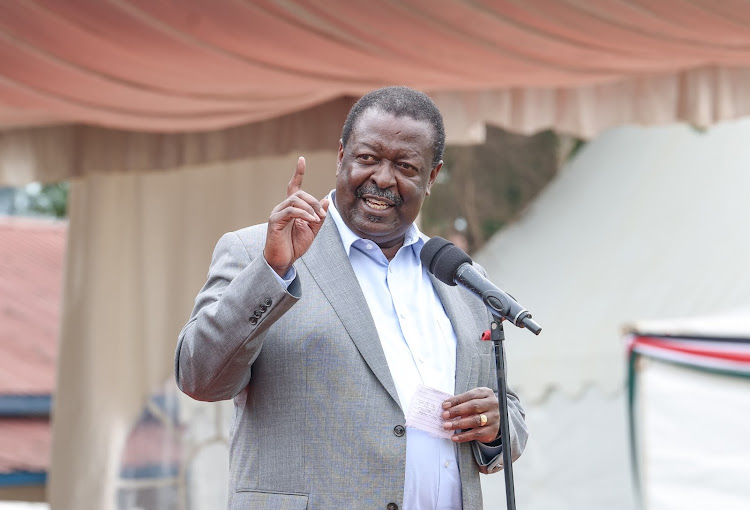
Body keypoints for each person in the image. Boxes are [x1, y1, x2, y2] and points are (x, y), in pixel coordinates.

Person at [175, 86, 527, 510]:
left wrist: (493, 425)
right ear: (341, 156)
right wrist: (271, 273)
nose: (382, 177)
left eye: (404, 165)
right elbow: (199, 378)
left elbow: (507, 411)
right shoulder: (260, 252)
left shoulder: (459, 278)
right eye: (367, 158)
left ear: (431, 178)